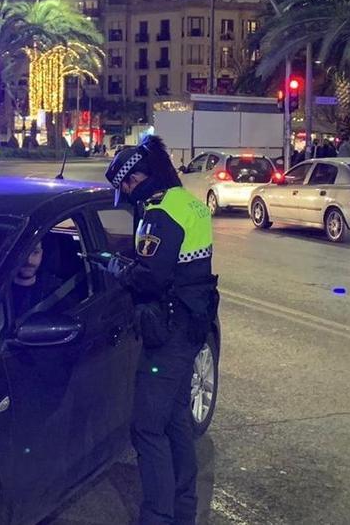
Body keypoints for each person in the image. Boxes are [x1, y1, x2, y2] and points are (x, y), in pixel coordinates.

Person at [99, 135, 219, 525]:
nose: (128, 194)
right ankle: (183, 509)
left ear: (137, 179)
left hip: (167, 333)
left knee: (147, 428)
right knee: (176, 421)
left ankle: (157, 517)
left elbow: (150, 277)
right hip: (191, 324)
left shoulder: (159, 214)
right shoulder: (189, 204)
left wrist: (116, 267)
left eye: (127, 187)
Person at [10, 239, 64, 319]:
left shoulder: (56, 291)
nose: (29, 260)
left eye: (35, 252)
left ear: (41, 254)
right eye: (23, 253)